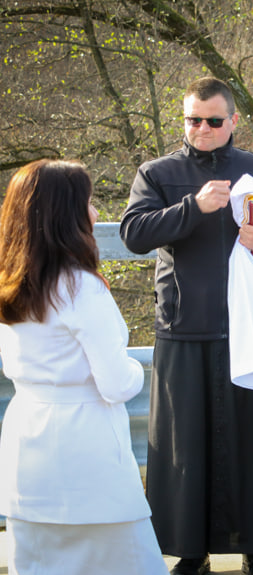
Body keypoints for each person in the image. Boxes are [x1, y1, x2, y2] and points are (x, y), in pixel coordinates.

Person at [120, 77, 253, 575]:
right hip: (184, 326)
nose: (201, 129)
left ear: (233, 121)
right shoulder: (157, 172)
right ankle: (189, 551)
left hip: (252, 327)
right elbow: (133, 234)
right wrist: (193, 207)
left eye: (213, 121)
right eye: (192, 120)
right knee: (186, 449)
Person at [0, 159, 168, 575]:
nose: (95, 214)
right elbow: (115, 383)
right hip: (86, 447)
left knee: (37, 563)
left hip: (26, 439)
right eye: (89, 204)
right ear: (66, 215)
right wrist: (136, 371)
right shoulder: (82, 288)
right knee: (128, 560)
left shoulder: (11, 283)